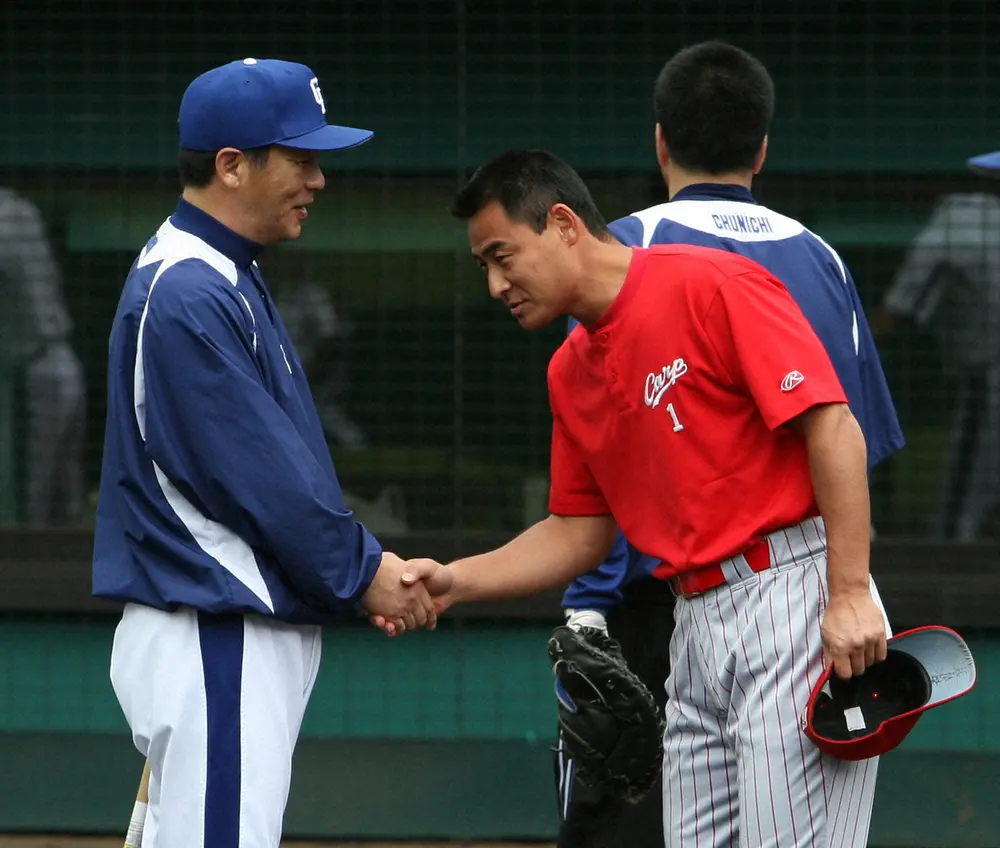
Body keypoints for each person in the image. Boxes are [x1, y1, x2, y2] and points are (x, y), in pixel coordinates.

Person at [384, 148, 894, 848]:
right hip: (694, 618)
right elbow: (578, 532)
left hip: (791, 594)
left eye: (505, 255)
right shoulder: (571, 369)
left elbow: (833, 426)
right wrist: (455, 581)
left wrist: (850, 591)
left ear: (563, 224)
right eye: (484, 267)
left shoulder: (711, 282)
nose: (498, 284)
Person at [554, 40, 905, 848]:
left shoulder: (614, 251)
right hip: (803, 586)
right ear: (763, 148)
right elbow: (856, 447)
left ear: (660, 142)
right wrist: (847, 582)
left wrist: (587, 610)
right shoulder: (821, 256)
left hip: (649, 604)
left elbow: (600, 456)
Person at [91, 58, 443, 848]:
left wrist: (359, 573)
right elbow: (265, 483)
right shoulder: (189, 290)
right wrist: (366, 574)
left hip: (222, 625)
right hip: (215, 627)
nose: (318, 179)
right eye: (302, 157)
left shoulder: (219, 274)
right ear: (231, 164)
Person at [872, 153, 1000, 541]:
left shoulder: (960, 219)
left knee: (960, 513)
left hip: (989, 379)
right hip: (984, 374)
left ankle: (948, 581)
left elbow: (898, 309)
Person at [0, 187, 86, 525]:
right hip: (55, 364)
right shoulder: (18, 207)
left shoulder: (8, 216)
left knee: (28, 505)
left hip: (32, 375)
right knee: (61, 497)